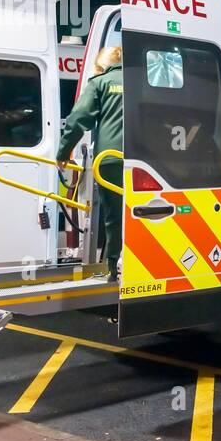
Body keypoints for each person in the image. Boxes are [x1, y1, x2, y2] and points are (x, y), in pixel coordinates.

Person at [58, 46, 124, 278]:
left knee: (115, 216)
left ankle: (113, 268)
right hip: (143, 161)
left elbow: (77, 120)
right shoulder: (141, 83)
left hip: (110, 161)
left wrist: (63, 153)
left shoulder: (100, 83)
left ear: (101, 65)